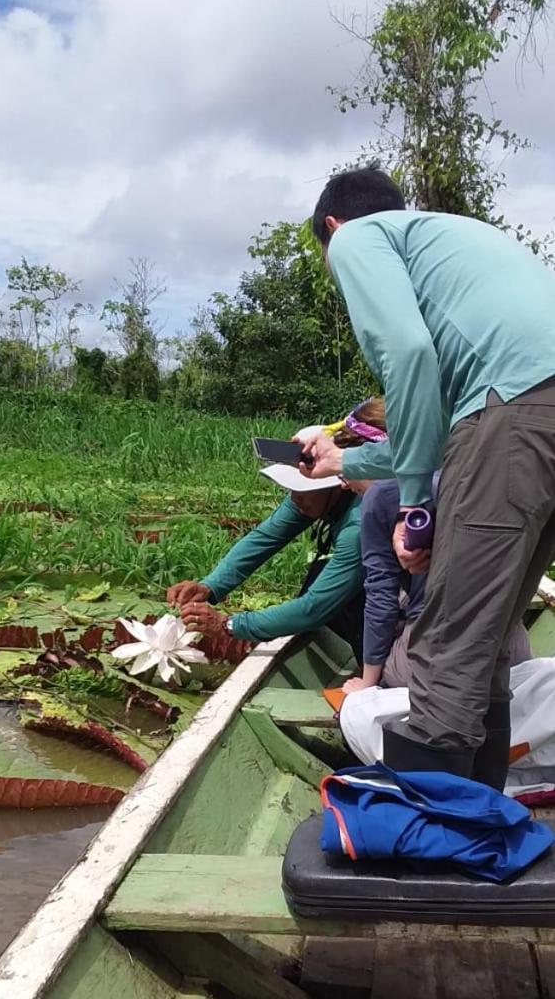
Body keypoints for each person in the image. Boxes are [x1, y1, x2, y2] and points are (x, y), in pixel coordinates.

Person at [300, 165, 555, 791]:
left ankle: (433, 844)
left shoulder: (358, 238)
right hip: (528, 413)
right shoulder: (453, 242)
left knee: (447, 638)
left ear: (332, 227)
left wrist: (417, 513)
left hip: (514, 413)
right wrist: (343, 462)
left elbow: (408, 356)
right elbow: (439, 439)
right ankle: (481, 822)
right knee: (488, 632)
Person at [166, 401, 387, 657]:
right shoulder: (310, 494)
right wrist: (210, 587)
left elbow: (313, 609)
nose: (294, 498)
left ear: (339, 482)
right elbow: (265, 537)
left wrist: (229, 624)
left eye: (302, 489)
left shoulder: (360, 524)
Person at [343, 477, 532, 702]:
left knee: (386, 677)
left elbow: (380, 602)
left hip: (439, 661)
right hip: (512, 648)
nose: (343, 483)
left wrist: (367, 685)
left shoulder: (379, 496)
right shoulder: (478, 476)